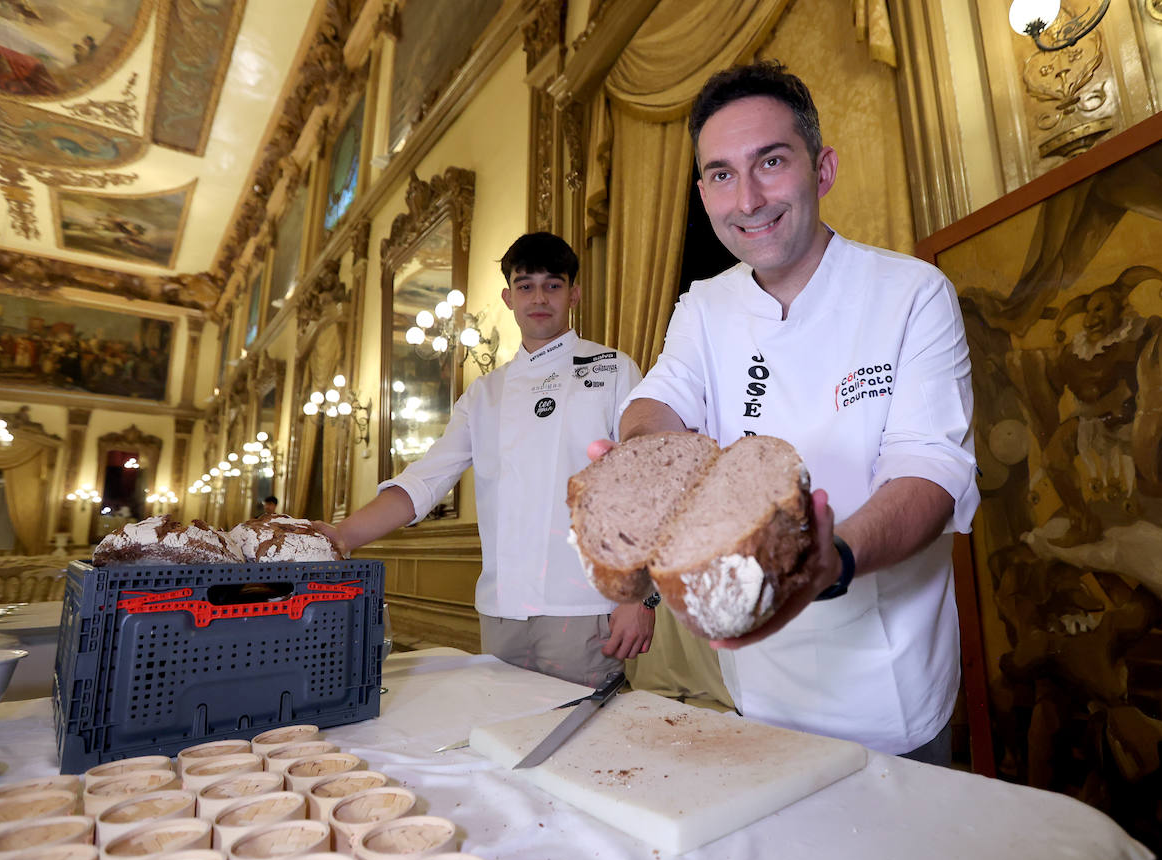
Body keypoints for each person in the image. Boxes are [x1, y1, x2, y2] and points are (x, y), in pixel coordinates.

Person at [602, 62, 978, 762]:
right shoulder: (705, 305)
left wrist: (824, 562)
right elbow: (663, 398)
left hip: (888, 695)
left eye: (770, 162)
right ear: (703, 192)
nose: (747, 198)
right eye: (720, 174)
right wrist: (645, 462)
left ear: (822, 168)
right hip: (757, 694)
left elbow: (931, 470)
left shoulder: (911, 293)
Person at [320, 232, 653, 688]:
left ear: (574, 292)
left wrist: (639, 598)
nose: (539, 297)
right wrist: (342, 535)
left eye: (553, 285)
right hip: (501, 611)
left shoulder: (613, 369)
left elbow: (644, 483)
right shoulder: (484, 394)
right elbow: (426, 480)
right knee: (505, 741)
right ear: (508, 297)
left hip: (584, 606)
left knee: (581, 745)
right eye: (525, 285)